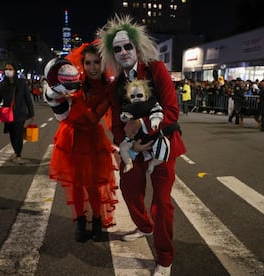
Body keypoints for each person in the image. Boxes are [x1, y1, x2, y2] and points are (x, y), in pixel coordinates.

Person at [98, 15, 186, 276]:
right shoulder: (116, 86)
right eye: (117, 49)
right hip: (134, 148)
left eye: (127, 47)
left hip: (163, 144)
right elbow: (115, 123)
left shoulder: (156, 69)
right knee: (129, 189)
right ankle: (144, 226)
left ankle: (165, 256)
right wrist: (129, 142)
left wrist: (143, 126)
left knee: (161, 203)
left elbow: (171, 110)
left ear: (137, 47)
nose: (123, 52)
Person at [44, 43, 118, 243]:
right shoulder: (75, 82)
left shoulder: (108, 90)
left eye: (97, 62)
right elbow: (56, 100)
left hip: (91, 138)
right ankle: (80, 221)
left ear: (104, 64)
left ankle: (96, 219)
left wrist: (73, 102)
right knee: (76, 184)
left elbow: (92, 118)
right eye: (88, 63)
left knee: (93, 184)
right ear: (82, 64)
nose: (92, 67)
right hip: (70, 138)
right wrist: (57, 95)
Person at [119, 79, 170, 175]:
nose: (136, 99)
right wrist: (126, 117)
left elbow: (158, 112)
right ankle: (128, 162)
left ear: (146, 96)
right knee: (123, 147)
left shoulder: (152, 104)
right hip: (135, 136)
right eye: (132, 96)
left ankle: (153, 163)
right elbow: (123, 116)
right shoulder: (129, 107)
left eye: (139, 95)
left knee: (164, 146)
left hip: (151, 135)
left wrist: (155, 121)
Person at [0, 62, 35, 164]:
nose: (8, 71)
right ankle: (16, 152)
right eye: (6, 69)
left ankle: (18, 154)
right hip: (7, 114)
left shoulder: (21, 84)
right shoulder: (1, 85)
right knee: (12, 135)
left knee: (18, 134)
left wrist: (31, 113)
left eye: (10, 69)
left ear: (15, 70)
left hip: (20, 114)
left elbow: (28, 99)